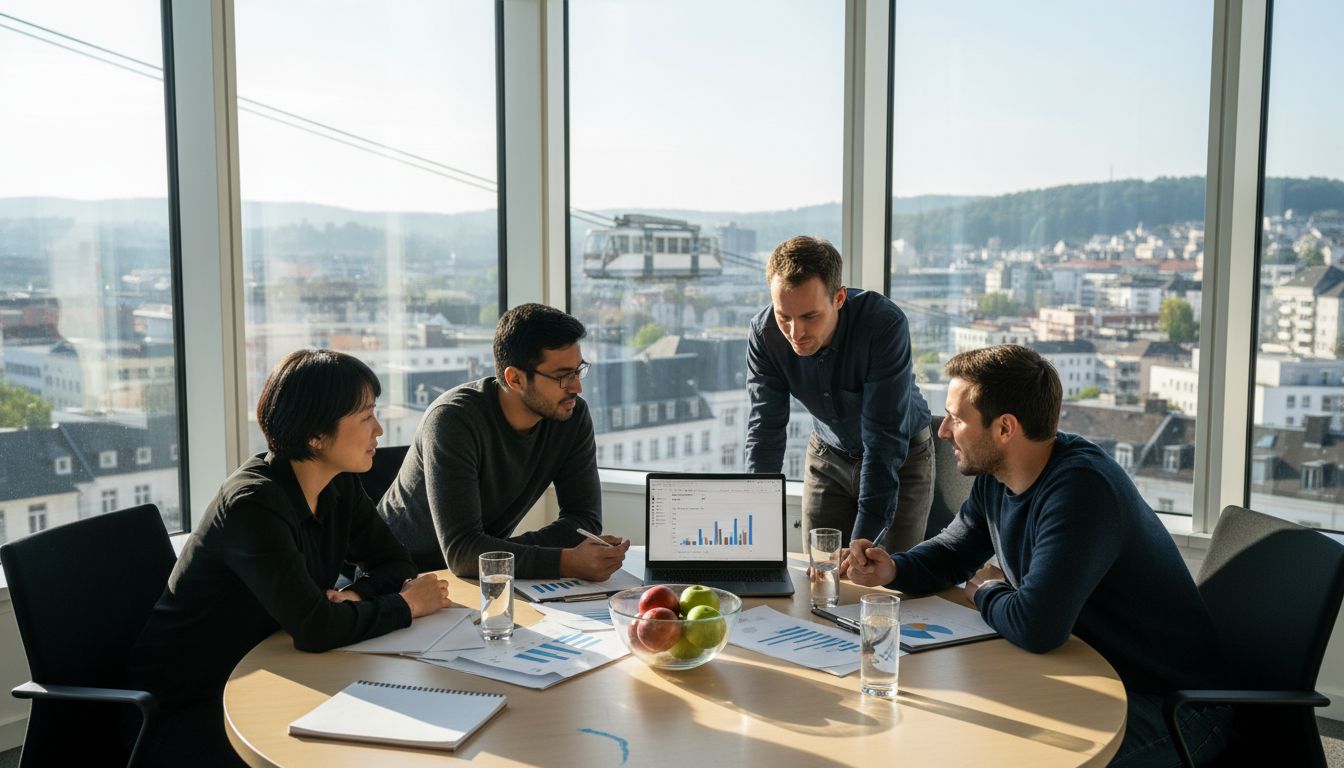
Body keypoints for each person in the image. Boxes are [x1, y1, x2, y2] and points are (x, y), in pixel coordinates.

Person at [845, 344, 1231, 767]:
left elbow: (1036, 625)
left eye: (957, 419)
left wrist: (987, 591)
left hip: (1172, 708)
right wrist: (895, 566)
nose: (943, 431)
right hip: (1088, 678)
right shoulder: (999, 475)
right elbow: (954, 550)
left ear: (1005, 428)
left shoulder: (1081, 491)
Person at [124, 349, 452, 767]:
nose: (380, 430)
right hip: (191, 703)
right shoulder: (253, 504)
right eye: (366, 417)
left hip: (275, 667)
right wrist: (406, 605)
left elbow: (396, 563)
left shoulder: (339, 485)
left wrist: (355, 598)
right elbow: (315, 628)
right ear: (316, 434)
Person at [379, 303, 629, 579]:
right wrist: (565, 561)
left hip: (479, 578)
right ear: (515, 379)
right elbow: (462, 553)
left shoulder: (571, 414)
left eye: (578, 370)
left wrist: (492, 554)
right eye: (562, 376)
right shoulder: (452, 420)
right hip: (396, 577)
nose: (577, 387)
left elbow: (584, 521)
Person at [745, 235, 934, 555]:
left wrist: (865, 538)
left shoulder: (883, 325)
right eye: (784, 316)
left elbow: (883, 438)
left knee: (888, 580)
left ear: (839, 298)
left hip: (900, 459)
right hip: (827, 456)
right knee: (821, 572)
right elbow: (765, 428)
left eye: (809, 316)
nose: (795, 332)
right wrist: (754, 516)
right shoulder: (765, 334)